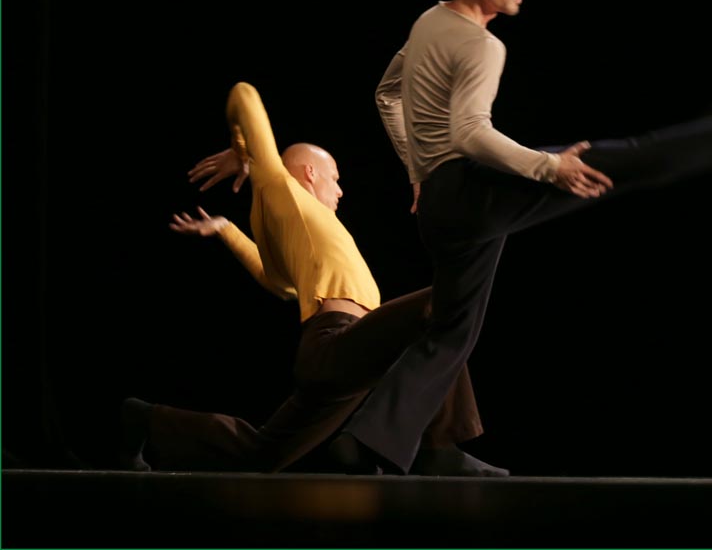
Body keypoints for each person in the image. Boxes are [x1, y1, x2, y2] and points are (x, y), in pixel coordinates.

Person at [327, 0, 712, 475]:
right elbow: (470, 133)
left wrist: (419, 171)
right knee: (617, 161)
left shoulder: (428, 21)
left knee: (451, 331)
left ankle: (379, 443)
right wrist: (548, 168)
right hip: (469, 191)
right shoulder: (481, 45)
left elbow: (387, 93)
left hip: (442, 204)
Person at [118, 81, 506, 477]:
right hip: (336, 341)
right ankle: (436, 446)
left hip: (341, 358)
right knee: (445, 303)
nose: (340, 190)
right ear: (310, 173)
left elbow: (278, 284)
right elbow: (244, 94)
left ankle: (143, 418)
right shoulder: (282, 189)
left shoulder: (294, 225)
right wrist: (243, 151)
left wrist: (227, 230)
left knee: (261, 454)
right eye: (334, 177)